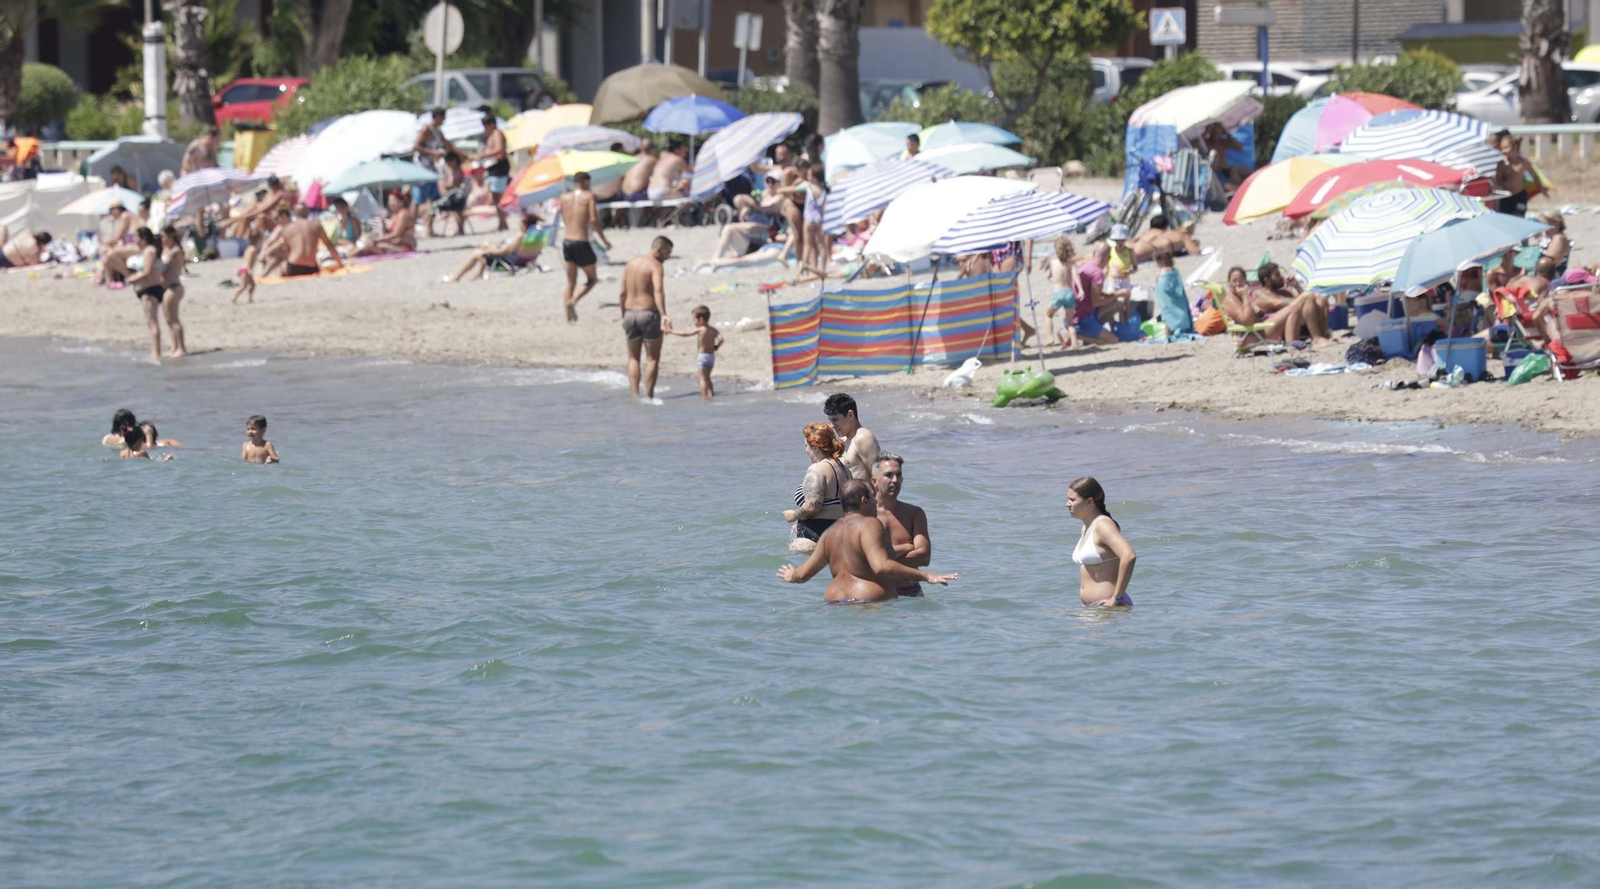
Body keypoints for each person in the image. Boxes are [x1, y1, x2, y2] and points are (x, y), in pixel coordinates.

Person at [777, 480, 956, 603]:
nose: (876, 501)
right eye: (873, 497)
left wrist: (791, 575)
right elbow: (881, 566)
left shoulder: (830, 532)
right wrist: (926, 576)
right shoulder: (870, 523)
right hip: (867, 603)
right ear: (864, 501)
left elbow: (802, 575)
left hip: (833, 602)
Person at [620, 236, 675, 400]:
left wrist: (623, 315)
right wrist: (664, 314)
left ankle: (635, 394)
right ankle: (649, 396)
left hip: (630, 314)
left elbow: (622, 293)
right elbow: (658, 291)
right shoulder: (656, 266)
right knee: (652, 359)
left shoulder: (631, 263)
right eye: (667, 252)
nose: (668, 256)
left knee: (633, 358)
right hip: (648, 314)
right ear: (658, 249)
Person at [1067, 476, 1135, 607]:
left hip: (1109, 608)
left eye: (1072, 499)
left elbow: (1129, 555)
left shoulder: (1103, 526)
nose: (1067, 504)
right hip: (1092, 609)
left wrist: (1116, 599)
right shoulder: (1086, 528)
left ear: (1089, 502)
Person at [872, 454, 931, 597]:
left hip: (910, 590)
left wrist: (883, 561)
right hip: (877, 592)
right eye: (889, 475)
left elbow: (924, 557)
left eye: (899, 475)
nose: (895, 480)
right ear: (874, 481)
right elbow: (861, 559)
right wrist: (906, 548)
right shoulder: (865, 515)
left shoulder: (914, 514)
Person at [782, 422, 850, 546]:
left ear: (816, 448)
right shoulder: (845, 470)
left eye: (806, 446)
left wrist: (794, 515)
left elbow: (812, 507)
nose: (806, 450)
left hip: (813, 535)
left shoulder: (817, 469)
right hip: (840, 534)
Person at [559, 171, 612, 321]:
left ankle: (567, 316)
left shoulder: (564, 198)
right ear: (587, 182)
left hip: (567, 241)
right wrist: (604, 240)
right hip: (582, 241)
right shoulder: (588, 196)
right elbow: (594, 220)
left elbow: (565, 218)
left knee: (570, 282)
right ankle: (573, 301)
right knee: (592, 279)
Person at [1254, 262, 1334, 347]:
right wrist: (1301, 299)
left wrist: (1297, 286)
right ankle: (1316, 338)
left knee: (1321, 298)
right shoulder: (1259, 294)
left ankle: (1322, 336)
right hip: (1271, 328)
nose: (1281, 277)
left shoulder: (1283, 292)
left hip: (1291, 324)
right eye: (1277, 275)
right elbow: (1277, 303)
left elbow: (1309, 302)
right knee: (1307, 296)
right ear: (1267, 280)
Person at [124, 227, 168, 361]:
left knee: (152, 322)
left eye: (136, 237)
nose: (134, 240)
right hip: (151, 288)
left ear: (143, 239)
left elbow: (147, 272)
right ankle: (155, 350)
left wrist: (131, 279)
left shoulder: (149, 251)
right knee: (152, 322)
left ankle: (156, 352)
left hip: (149, 290)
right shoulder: (151, 251)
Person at [412, 108, 458, 235]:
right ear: (437, 117)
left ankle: (429, 229)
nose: (444, 120)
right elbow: (416, 146)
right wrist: (434, 152)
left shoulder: (438, 132)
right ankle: (411, 230)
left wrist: (461, 154)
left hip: (431, 168)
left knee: (433, 199)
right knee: (417, 200)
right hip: (420, 168)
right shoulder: (426, 129)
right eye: (442, 117)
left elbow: (448, 144)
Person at [666, 304, 724, 400]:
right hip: (711, 357)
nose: (694, 322)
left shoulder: (701, 329)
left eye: (694, 320)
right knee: (708, 378)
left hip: (702, 357)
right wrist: (716, 346)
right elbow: (721, 339)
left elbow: (685, 334)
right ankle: (711, 395)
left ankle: (704, 397)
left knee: (702, 379)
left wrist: (672, 331)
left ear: (701, 319)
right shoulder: (713, 330)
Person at [824, 392, 880, 481]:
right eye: (831, 421)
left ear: (850, 415)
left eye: (835, 420)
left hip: (864, 494)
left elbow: (879, 477)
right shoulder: (841, 441)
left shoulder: (863, 438)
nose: (832, 425)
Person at [278, 210, 346, 276]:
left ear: (295, 214)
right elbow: (329, 245)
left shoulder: (287, 228)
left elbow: (287, 251)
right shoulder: (316, 225)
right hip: (311, 267)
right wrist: (340, 263)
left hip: (294, 265)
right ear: (308, 213)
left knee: (281, 267)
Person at [475, 114, 511, 231]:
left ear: (491, 124)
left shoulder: (497, 133)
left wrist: (483, 155)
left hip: (499, 166)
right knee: (495, 196)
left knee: (499, 195)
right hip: (492, 166)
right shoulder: (491, 135)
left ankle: (503, 222)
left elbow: (499, 149)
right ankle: (502, 222)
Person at [1044, 235, 1080, 349]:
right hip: (1069, 293)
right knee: (1069, 322)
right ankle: (1074, 343)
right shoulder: (1071, 264)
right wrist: (1081, 289)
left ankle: (1050, 338)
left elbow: (1049, 275)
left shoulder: (1053, 262)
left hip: (1058, 293)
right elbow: (1076, 276)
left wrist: (1049, 276)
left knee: (1048, 315)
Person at [158, 226, 188, 357]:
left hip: (174, 287)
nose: (162, 240)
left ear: (171, 237)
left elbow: (163, 265)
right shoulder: (166, 249)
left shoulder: (175, 251)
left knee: (174, 319)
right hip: (167, 288)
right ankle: (174, 346)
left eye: (164, 237)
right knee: (168, 320)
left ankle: (181, 347)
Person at [356, 190, 416, 256]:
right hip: (395, 244)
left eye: (394, 201)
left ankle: (355, 253)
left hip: (404, 246)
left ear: (401, 202)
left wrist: (377, 239)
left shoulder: (403, 214)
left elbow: (397, 234)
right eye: (390, 201)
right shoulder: (394, 215)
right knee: (371, 244)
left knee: (375, 245)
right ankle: (356, 252)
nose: (391, 203)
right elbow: (386, 233)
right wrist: (383, 222)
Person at [1151, 249, 1194, 336]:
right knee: (1180, 313)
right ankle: (1182, 330)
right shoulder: (1175, 271)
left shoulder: (1160, 272)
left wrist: (1155, 284)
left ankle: (1168, 335)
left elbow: (1157, 285)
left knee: (1168, 317)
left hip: (1166, 300)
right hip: (1178, 298)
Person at [1495, 133, 1532, 218]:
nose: (1503, 151)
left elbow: (1534, 176)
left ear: (1515, 147)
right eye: (1501, 148)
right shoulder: (1501, 164)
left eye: (1506, 148)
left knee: (1519, 217)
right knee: (1506, 218)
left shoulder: (1524, 162)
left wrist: (1542, 188)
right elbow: (1498, 180)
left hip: (1519, 195)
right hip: (1505, 195)